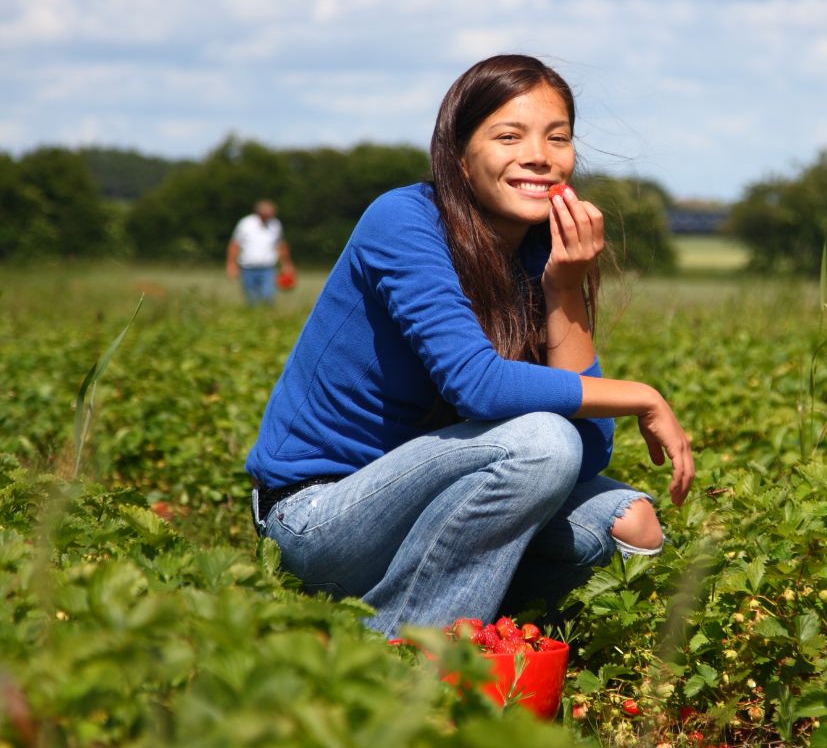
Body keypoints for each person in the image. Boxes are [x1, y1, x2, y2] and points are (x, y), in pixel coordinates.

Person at [244, 54, 694, 639]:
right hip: (318, 515)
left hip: (437, 504)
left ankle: (460, 624)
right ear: (458, 155)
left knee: (630, 524)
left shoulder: (541, 250)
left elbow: (589, 453)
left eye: (557, 137)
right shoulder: (404, 221)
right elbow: (477, 384)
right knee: (541, 443)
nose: (539, 155)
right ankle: (409, 657)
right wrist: (640, 395)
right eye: (509, 135)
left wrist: (564, 287)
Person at [226, 199, 295, 305]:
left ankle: (268, 318)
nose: (271, 215)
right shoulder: (245, 223)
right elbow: (234, 245)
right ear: (260, 212)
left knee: (268, 297)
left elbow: (281, 246)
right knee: (251, 299)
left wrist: (287, 264)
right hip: (248, 268)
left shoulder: (275, 224)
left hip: (268, 269)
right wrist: (231, 264)